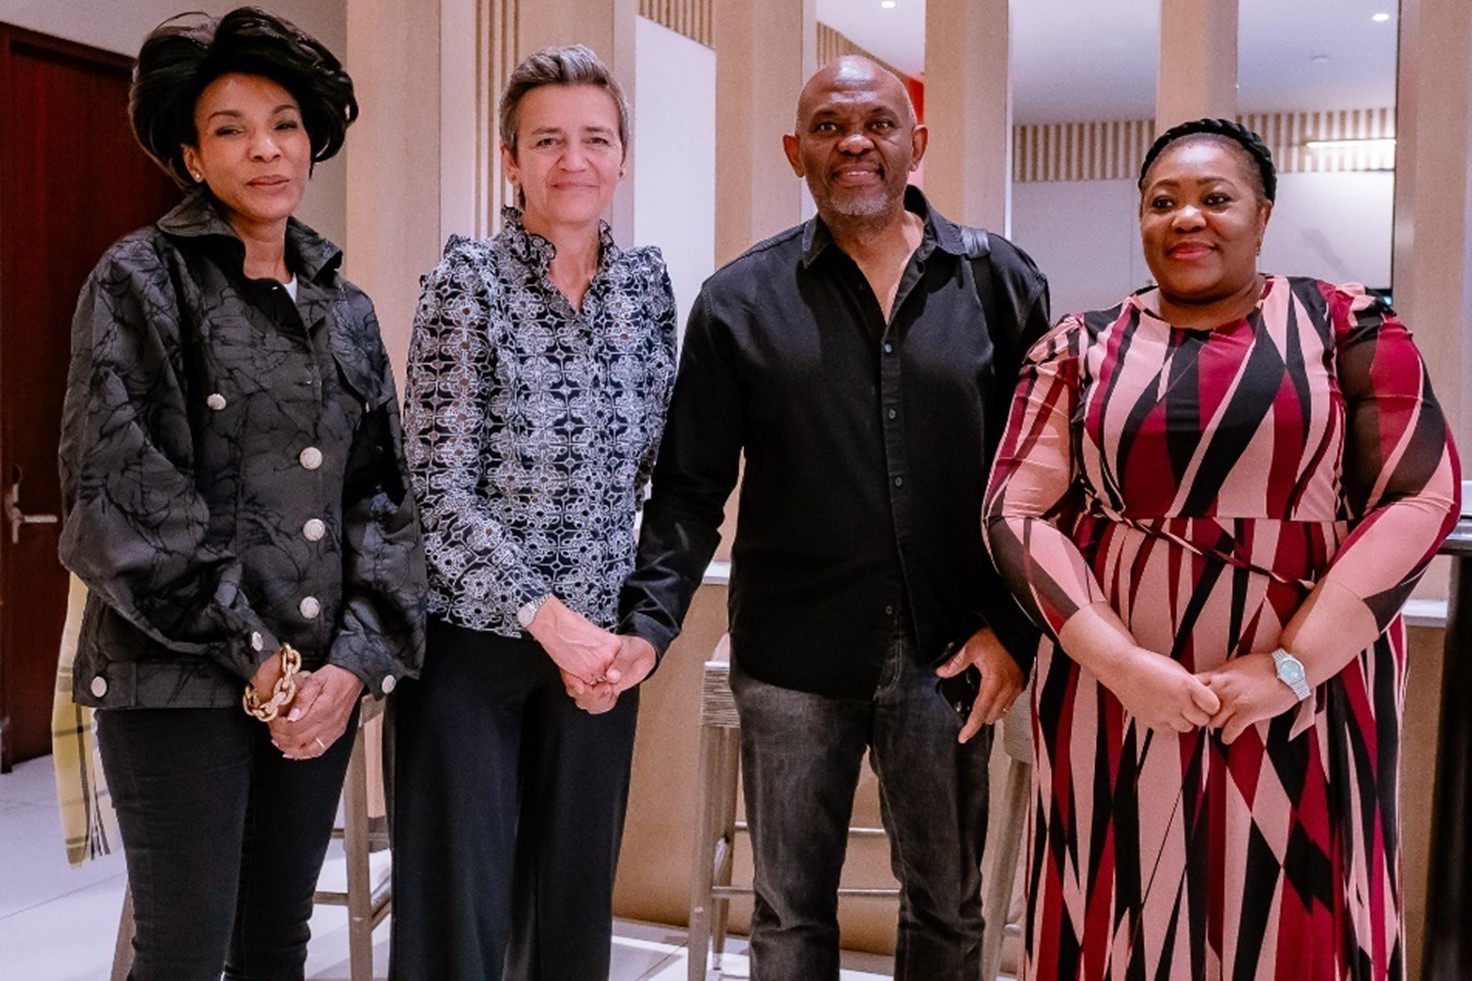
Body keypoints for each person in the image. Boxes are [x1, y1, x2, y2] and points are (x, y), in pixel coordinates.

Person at [983, 117, 1460, 980]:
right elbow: (1014, 511)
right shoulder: (1076, 347)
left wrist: (1288, 667)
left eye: (1215, 197)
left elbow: (1418, 493)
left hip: (1311, 693)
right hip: (1113, 699)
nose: (1187, 217)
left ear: (1264, 213)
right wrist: (1122, 663)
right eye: (1162, 201)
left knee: (1295, 911)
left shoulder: (1345, 324)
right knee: (1119, 900)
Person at [603, 56, 1049, 979]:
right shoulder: (738, 301)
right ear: (794, 151)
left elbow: (1048, 474)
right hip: (792, 661)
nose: (856, 142)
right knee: (789, 914)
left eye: (880, 124)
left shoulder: (998, 282)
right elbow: (689, 489)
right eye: (830, 126)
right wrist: (646, 625)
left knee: (948, 909)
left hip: (955, 656)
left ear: (915, 144)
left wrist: (1017, 630)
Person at [57, 8, 426, 978]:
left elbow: (384, 498)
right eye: (230, 128)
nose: (265, 148)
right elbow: (121, 497)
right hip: (176, 680)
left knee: (278, 939)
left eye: (285, 122)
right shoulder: (139, 284)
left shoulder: (345, 309)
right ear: (189, 153)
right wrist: (263, 666)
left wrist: (349, 664)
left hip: (315, 680)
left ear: (313, 138)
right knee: (183, 948)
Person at [390, 44, 678, 980]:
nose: (573, 160)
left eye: (595, 138)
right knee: (460, 925)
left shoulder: (647, 291)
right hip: (474, 647)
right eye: (546, 139)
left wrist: (628, 633)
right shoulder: (467, 285)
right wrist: (547, 621)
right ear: (509, 159)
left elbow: (660, 473)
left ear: (623, 156)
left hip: (595, 658)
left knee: (571, 912)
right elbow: (435, 490)